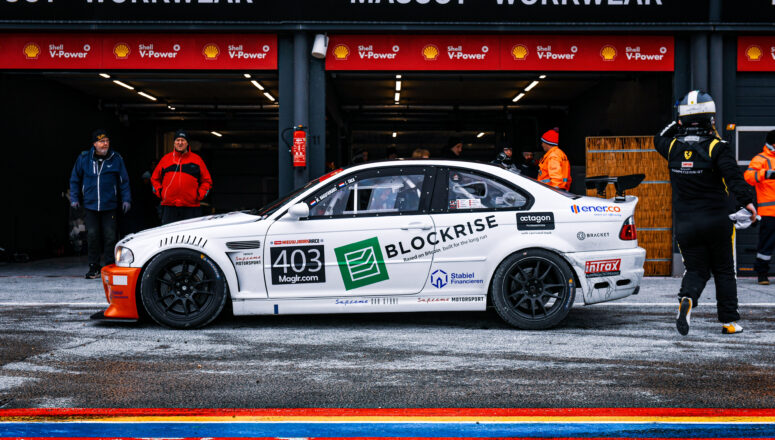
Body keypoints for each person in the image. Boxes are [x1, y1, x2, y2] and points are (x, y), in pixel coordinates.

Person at [654, 90, 756, 335]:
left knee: (697, 269)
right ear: (711, 119)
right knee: (723, 270)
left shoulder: (671, 148)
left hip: (687, 224)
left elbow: (659, 136)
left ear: (682, 120)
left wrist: (679, 122)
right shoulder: (717, 147)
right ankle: (729, 322)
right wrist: (748, 203)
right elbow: (734, 178)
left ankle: (687, 297)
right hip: (717, 221)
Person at [69, 129, 131, 279]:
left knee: (110, 236)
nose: (105, 144)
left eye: (107, 141)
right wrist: (74, 198)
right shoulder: (84, 158)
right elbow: (75, 179)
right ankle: (94, 267)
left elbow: (124, 181)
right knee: (92, 236)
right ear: (94, 144)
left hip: (109, 205)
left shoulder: (116, 158)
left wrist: (127, 199)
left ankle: (109, 266)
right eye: (102, 141)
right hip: (90, 205)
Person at [151, 129, 213, 225]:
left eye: (183, 140)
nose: (180, 143)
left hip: (191, 207)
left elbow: (207, 181)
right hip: (169, 206)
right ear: (174, 143)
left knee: (190, 236)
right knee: (169, 236)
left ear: (187, 143)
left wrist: (199, 195)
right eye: (177, 140)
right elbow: (154, 179)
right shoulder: (166, 159)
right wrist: (160, 192)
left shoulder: (197, 160)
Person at [744, 129, 775, 285]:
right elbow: (748, 177)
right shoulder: (760, 159)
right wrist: (766, 174)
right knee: (766, 244)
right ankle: (762, 273)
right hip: (769, 212)